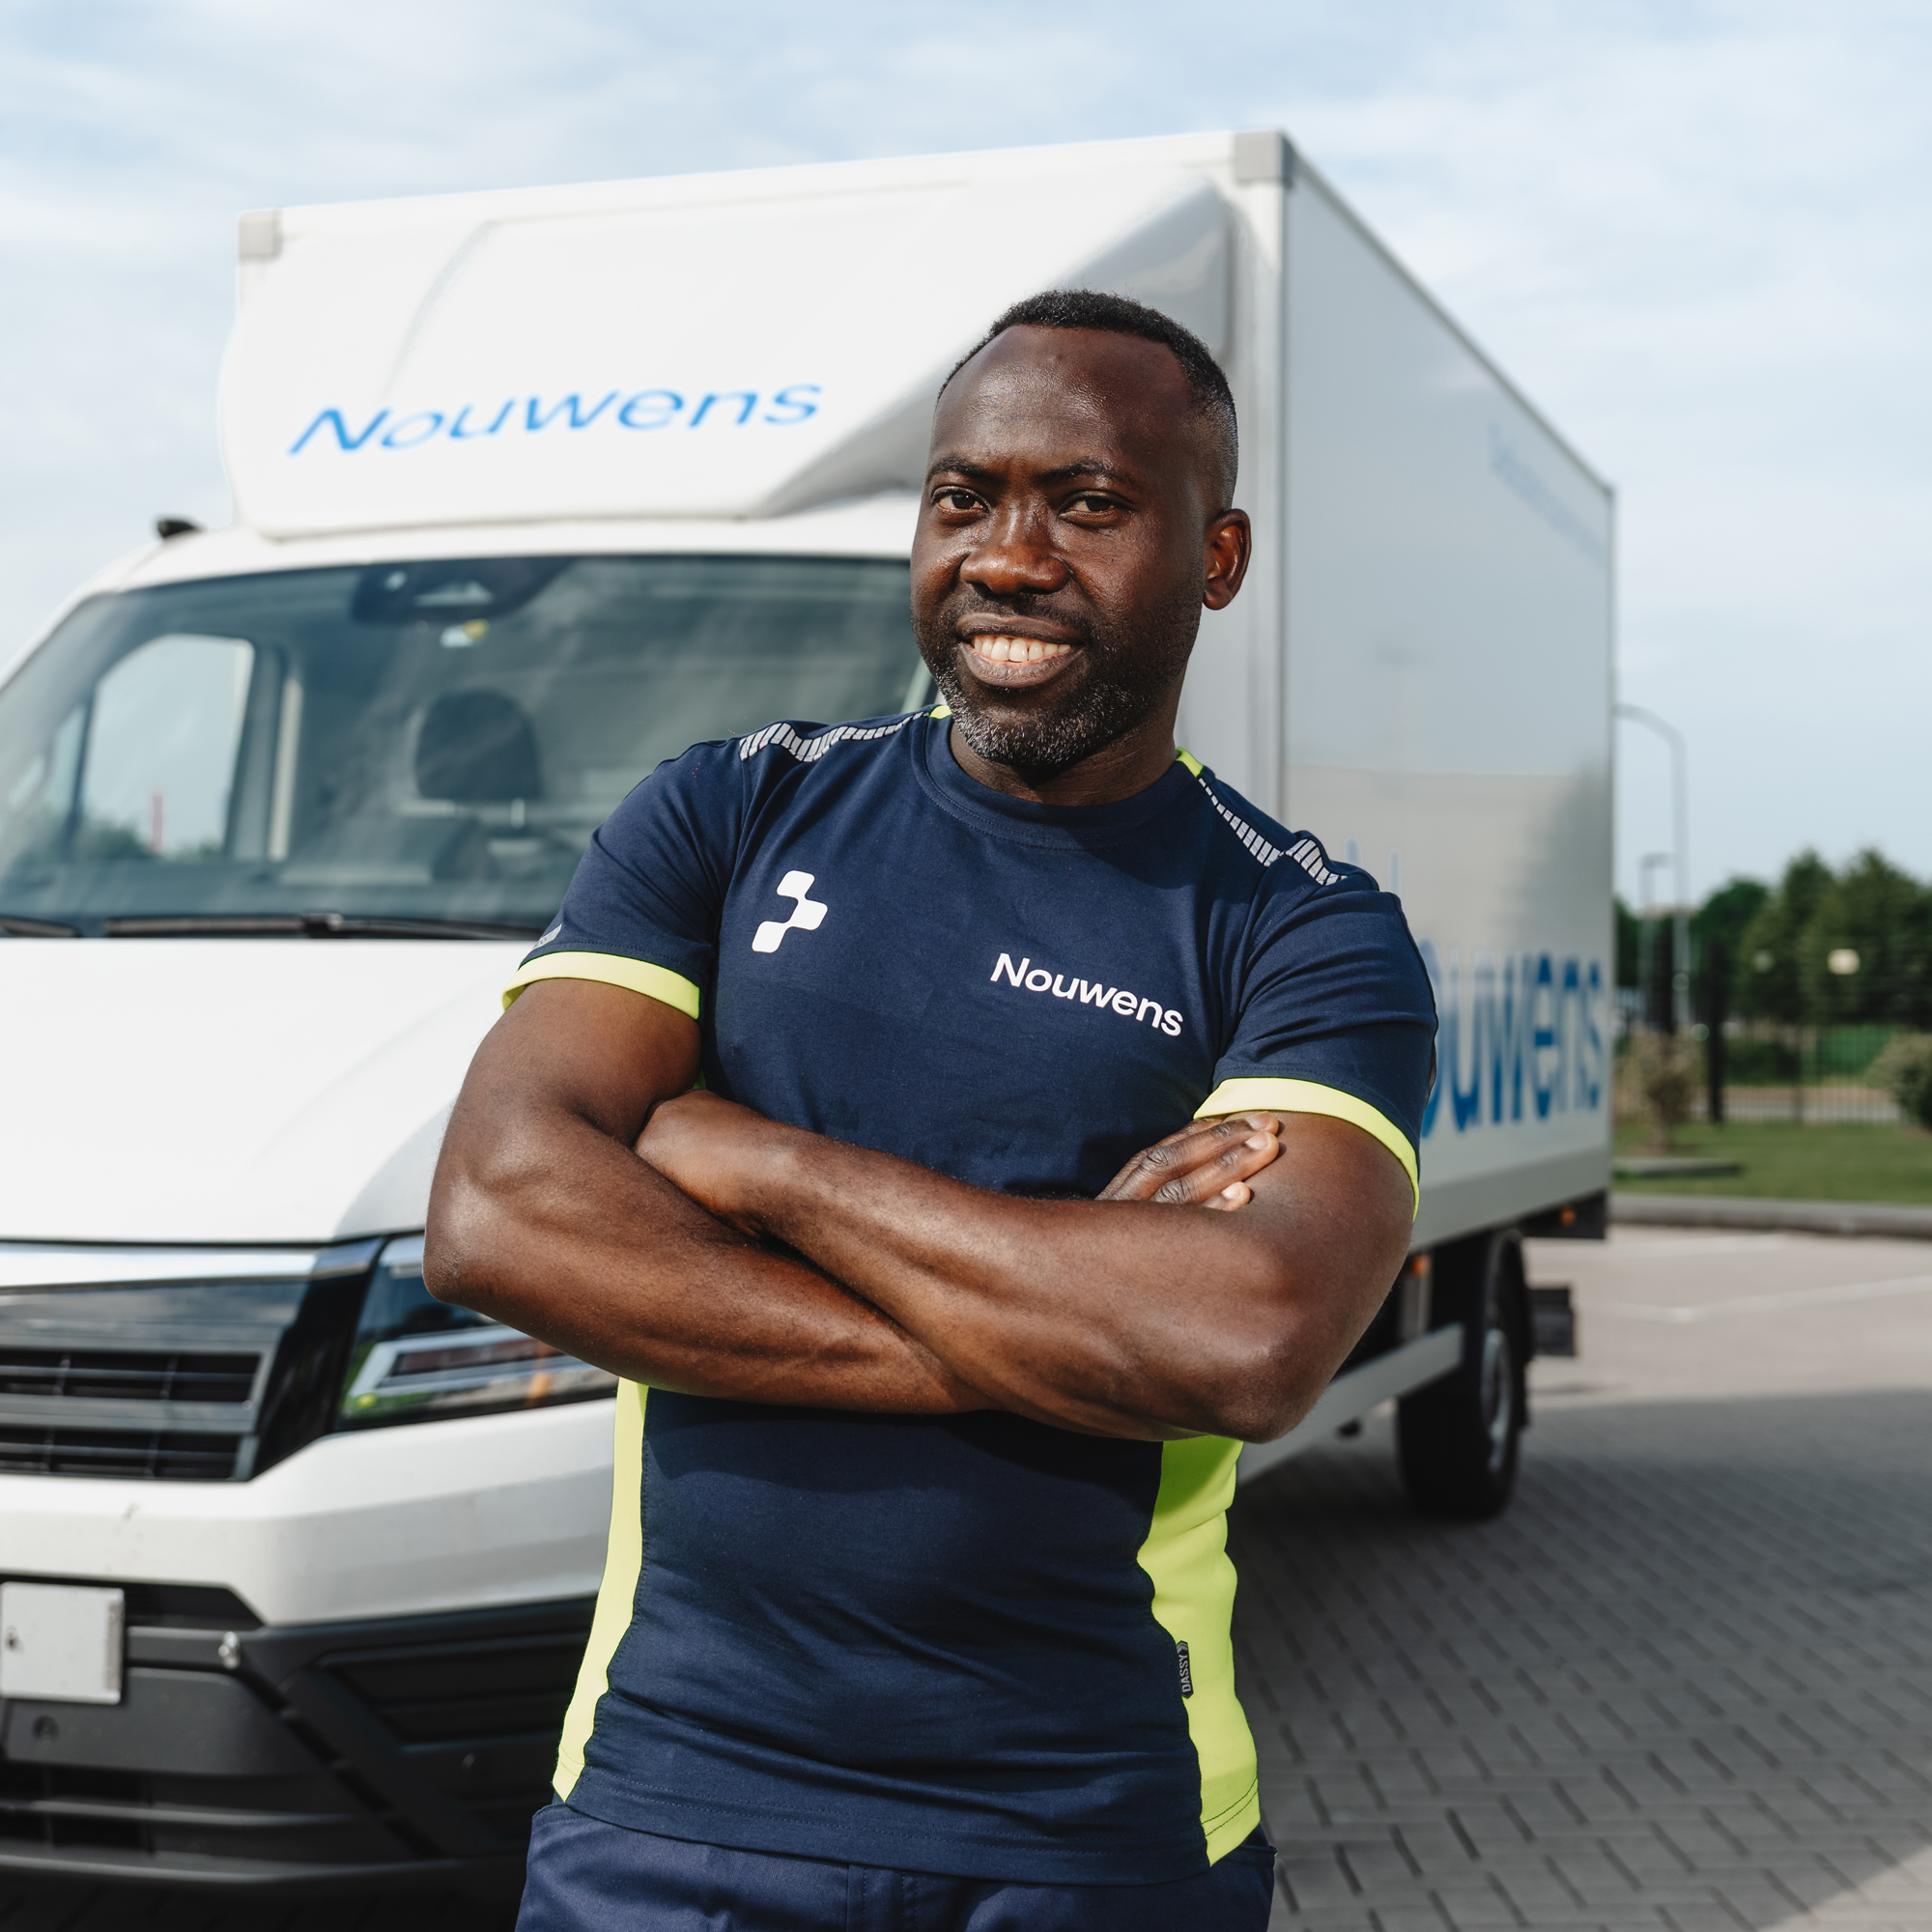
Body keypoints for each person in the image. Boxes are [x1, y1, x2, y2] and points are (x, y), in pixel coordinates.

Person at [425, 288, 1435, 1932]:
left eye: (1089, 504)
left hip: (1098, 1826)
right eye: (964, 497)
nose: (1008, 555)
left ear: (1219, 556)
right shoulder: (730, 810)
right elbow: (496, 1217)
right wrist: (1074, 1331)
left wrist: (753, 1159)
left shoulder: (1303, 924)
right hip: (676, 1806)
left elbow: (1247, 1339)